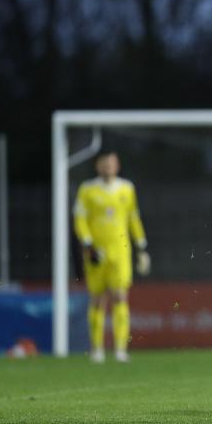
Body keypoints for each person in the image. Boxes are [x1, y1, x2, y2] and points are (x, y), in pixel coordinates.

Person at [73, 150, 151, 364]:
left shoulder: (127, 188)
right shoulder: (87, 190)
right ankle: (96, 349)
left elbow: (133, 218)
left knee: (119, 296)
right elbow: (79, 220)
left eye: (111, 163)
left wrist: (141, 246)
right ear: (98, 166)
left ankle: (119, 350)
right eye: (104, 163)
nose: (108, 167)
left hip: (120, 252)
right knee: (97, 299)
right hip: (96, 252)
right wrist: (88, 243)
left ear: (117, 165)